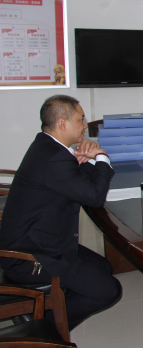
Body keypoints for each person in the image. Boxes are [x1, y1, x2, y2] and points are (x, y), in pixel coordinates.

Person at [0, 95, 122, 330]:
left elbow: (76, 184)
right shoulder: (55, 157)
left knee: (102, 268)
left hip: (41, 241)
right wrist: (101, 157)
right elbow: (94, 197)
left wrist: (87, 161)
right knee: (109, 290)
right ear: (62, 124)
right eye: (81, 119)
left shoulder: (47, 147)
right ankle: (41, 325)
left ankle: (50, 306)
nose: (85, 125)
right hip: (29, 257)